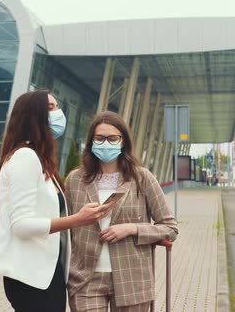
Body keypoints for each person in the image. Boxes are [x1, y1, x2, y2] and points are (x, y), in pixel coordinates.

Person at [0, 89, 115, 312]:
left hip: (43, 272)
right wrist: (77, 219)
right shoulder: (25, 157)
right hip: (32, 276)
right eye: (51, 108)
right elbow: (20, 225)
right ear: (33, 115)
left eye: (57, 106)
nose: (58, 113)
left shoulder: (39, 159)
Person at [65, 111, 178, 312]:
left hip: (132, 280)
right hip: (86, 280)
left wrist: (132, 228)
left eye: (112, 138)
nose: (105, 143)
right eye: (99, 138)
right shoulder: (74, 180)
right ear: (91, 142)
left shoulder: (141, 178)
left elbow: (170, 227)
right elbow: (66, 229)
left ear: (123, 141)